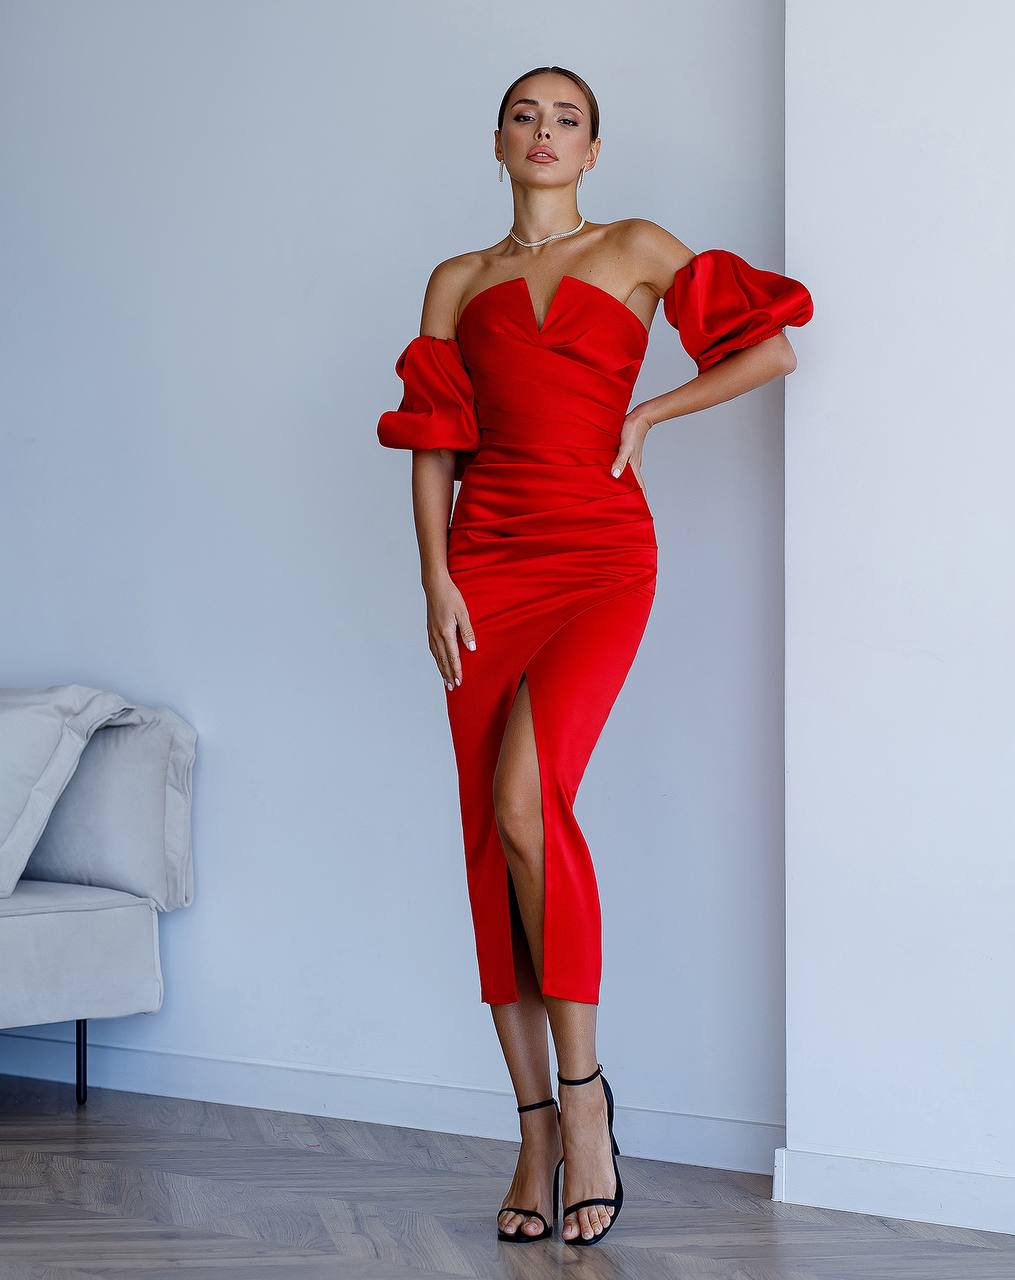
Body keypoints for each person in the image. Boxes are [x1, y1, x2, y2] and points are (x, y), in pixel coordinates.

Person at [377, 64, 813, 1248]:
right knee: (489, 833)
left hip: (600, 556)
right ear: (499, 139)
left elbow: (769, 352)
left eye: (567, 118)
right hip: (485, 564)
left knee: (531, 802)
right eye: (526, 114)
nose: (544, 132)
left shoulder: (633, 245)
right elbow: (432, 440)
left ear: (594, 147)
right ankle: (530, 1128)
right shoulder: (455, 279)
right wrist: (434, 576)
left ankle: (585, 1105)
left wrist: (651, 412)